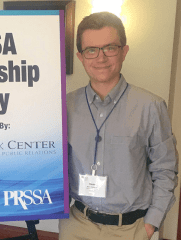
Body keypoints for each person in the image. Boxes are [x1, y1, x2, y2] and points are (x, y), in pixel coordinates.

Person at [59, 12, 178, 240]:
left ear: (124, 51)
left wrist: (151, 224)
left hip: (131, 229)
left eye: (110, 48)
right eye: (91, 50)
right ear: (81, 56)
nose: (100, 58)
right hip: (78, 225)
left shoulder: (151, 107)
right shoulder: (66, 106)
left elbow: (166, 169)